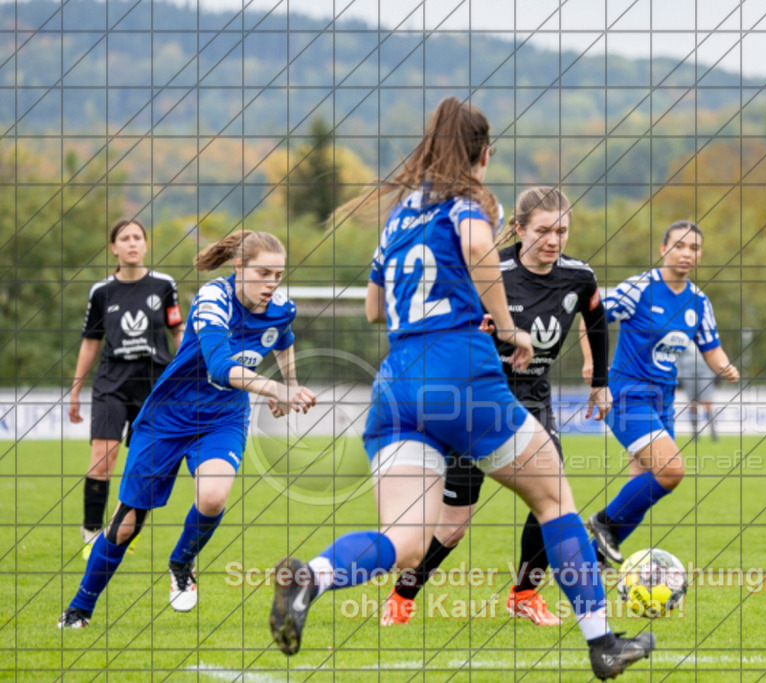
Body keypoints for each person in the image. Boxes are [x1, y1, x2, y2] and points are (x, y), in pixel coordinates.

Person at [268, 98, 654, 679]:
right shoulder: (472, 200)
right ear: (484, 152)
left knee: (405, 542)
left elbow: (375, 308)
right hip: (459, 373)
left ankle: (313, 578)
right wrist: (506, 326)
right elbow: (478, 250)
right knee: (554, 501)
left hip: (396, 385)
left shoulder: (400, 215)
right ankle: (602, 642)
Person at [377, 186, 612, 628]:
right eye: (543, 230)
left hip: (531, 401)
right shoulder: (490, 271)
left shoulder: (579, 277)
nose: (553, 240)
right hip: (476, 404)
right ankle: (403, 592)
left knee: (555, 503)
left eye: (562, 230)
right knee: (452, 526)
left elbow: (596, 320)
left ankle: (524, 593)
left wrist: (599, 382)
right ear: (519, 229)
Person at [58, 231, 317, 629]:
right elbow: (219, 367)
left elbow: (283, 338)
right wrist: (277, 388)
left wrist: (289, 382)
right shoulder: (214, 299)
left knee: (213, 497)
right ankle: (80, 608)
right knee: (126, 524)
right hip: (168, 415)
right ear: (239, 269)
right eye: (263, 273)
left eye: (278, 275)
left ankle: (181, 562)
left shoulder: (281, 305)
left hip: (223, 417)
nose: (272, 284)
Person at [585, 221, 740, 565]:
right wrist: (591, 369)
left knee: (643, 487)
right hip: (626, 394)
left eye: (694, 248)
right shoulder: (639, 288)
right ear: (663, 248)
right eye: (679, 245)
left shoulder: (699, 301)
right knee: (671, 471)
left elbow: (710, 346)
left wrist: (725, 366)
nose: (686, 253)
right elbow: (591, 315)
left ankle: (590, 560)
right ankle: (603, 522)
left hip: (663, 400)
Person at [68, 219, 184, 560]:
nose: (132, 243)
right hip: (111, 383)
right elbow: (91, 342)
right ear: (114, 248)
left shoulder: (164, 285)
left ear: (146, 245)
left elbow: (178, 332)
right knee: (103, 461)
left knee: (146, 465)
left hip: (154, 386)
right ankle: (91, 534)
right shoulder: (102, 292)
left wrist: (190, 372)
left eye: (138, 237)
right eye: (124, 238)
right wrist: (76, 389)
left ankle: (124, 531)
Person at [676, 343, 718, 442]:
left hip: (705, 371)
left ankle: (713, 434)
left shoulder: (705, 335)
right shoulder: (684, 336)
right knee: (692, 403)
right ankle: (695, 434)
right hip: (687, 372)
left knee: (707, 402)